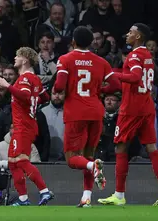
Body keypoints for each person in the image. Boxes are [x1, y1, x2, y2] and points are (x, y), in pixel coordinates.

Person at [98, 23, 158, 206]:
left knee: (120, 147)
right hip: (147, 105)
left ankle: (119, 195)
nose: (127, 34)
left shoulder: (133, 56)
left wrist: (113, 73)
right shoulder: (147, 55)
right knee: (151, 147)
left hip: (131, 108)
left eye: (131, 32)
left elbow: (134, 77)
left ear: (138, 36)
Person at [53, 26, 121, 207]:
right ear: (91, 42)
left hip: (76, 112)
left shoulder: (65, 59)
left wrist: (61, 89)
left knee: (73, 159)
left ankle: (93, 168)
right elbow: (115, 84)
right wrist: (100, 90)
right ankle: (86, 197)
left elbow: (59, 86)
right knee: (88, 155)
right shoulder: (101, 61)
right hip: (96, 112)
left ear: (73, 41)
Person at [0, 47, 54, 206]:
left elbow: (26, 96)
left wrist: (8, 86)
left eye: (18, 56)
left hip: (24, 126)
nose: (15, 58)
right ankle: (23, 199)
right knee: (13, 163)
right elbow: (44, 97)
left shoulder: (25, 79)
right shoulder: (34, 79)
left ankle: (44, 191)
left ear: (25, 60)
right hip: (26, 124)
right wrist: (34, 103)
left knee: (21, 161)